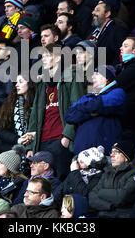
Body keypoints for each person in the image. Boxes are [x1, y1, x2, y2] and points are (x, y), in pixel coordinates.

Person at [26, 43, 86, 180]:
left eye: (47, 56)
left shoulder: (72, 77)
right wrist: (31, 144)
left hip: (60, 139)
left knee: (59, 179)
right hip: (42, 141)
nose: (44, 59)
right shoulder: (42, 83)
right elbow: (35, 115)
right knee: (41, 183)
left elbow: (78, 108)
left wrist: (67, 136)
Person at [65, 65, 127, 154]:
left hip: (103, 153)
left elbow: (98, 104)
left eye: (97, 74)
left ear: (107, 78)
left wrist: (82, 109)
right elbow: (69, 115)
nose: (92, 76)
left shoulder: (117, 92)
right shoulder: (87, 96)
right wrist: (91, 113)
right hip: (81, 154)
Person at [88, 140, 135, 218]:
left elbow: (121, 197)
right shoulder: (107, 172)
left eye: (116, 152)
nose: (111, 155)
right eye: (111, 152)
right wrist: (109, 206)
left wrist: (100, 192)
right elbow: (91, 197)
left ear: (126, 157)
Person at [0, 74, 36, 153]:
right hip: (10, 148)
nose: (17, 85)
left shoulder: (38, 103)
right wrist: (19, 139)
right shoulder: (10, 103)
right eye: (16, 82)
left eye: (21, 82)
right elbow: (1, 130)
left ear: (30, 84)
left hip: (34, 147)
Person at [87, 0, 128, 65]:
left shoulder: (117, 30)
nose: (93, 12)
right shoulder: (95, 30)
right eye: (94, 10)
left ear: (107, 14)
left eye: (97, 10)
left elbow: (118, 55)